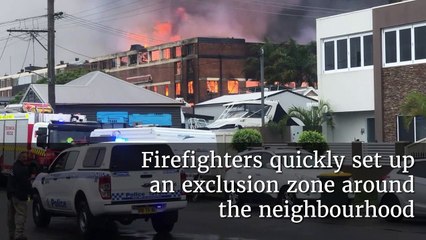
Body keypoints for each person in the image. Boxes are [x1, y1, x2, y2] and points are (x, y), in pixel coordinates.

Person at [6, 152, 32, 240]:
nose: (26, 159)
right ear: (21, 158)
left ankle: (12, 235)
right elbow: (25, 183)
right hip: (20, 195)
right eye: (25, 158)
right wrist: (30, 194)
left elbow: (10, 181)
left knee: (11, 217)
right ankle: (18, 235)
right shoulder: (23, 169)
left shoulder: (14, 167)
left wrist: (9, 192)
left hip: (11, 195)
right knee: (21, 215)